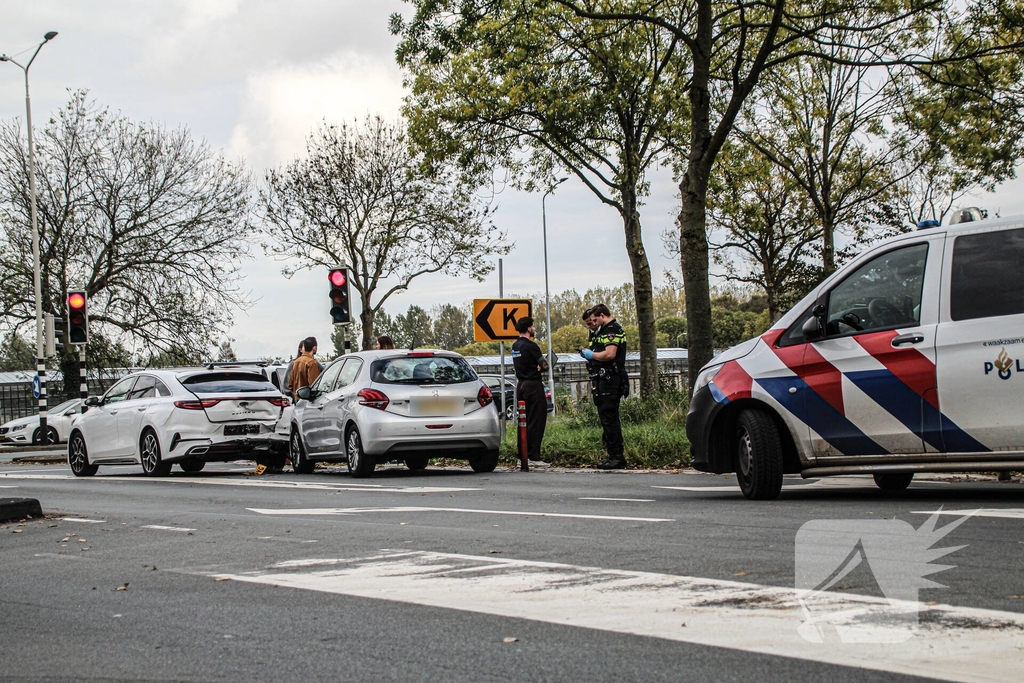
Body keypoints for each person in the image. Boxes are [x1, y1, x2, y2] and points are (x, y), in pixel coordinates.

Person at [581, 304, 627, 469]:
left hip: (611, 379)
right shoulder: (603, 330)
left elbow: (609, 354)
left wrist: (591, 355)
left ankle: (617, 456)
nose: (593, 323)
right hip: (604, 379)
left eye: (594, 319)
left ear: (602, 315)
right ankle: (612, 454)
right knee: (606, 417)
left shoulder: (611, 329)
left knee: (610, 417)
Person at [511, 316, 549, 467]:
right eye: (532, 326)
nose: (534, 328)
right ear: (528, 328)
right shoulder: (531, 346)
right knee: (536, 420)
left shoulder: (515, 346)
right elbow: (545, 365)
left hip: (521, 385)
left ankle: (522, 454)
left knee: (523, 421)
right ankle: (533, 456)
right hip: (533, 385)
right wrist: (541, 366)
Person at [288, 336, 321, 401]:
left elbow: (290, 385)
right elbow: (314, 385)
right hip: (308, 401)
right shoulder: (311, 363)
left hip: (297, 400)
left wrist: (296, 395)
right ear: (314, 348)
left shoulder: (295, 362)